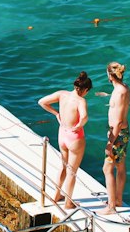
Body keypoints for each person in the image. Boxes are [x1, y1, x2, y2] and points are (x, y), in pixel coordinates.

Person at [38, 74, 91, 210]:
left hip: (62, 134)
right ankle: (68, 202)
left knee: (63, 166)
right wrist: (79, 125)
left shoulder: (62, 94)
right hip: (74, 137)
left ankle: (56, 195)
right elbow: (84, 116)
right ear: (85, 89)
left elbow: (42, 102)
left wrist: (56, 113)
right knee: (72, 171)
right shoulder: (81, 101)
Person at [102, 61, 130, 216]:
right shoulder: (124, 88)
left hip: (117, 134)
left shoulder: (119, 92)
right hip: (122, 133)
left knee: (107, 168)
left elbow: (118, 120)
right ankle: (118, 199)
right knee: (120, 165)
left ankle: (111, 206)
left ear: (109, 75)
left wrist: (109, 142)